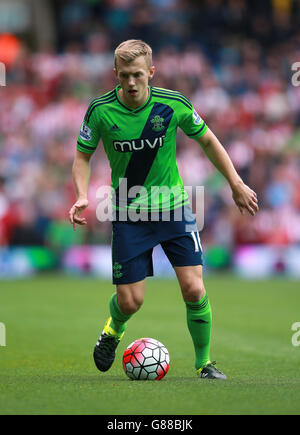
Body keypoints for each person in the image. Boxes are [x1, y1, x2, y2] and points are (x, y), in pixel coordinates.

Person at [69, 39, 258, 379]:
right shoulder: (100, 110)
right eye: (124, 75)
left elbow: (208, 140)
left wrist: (236, 183)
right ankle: (113, 330)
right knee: (131, 301)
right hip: (129, 214)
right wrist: (82, 194)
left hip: (174, 208)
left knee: (195, 289)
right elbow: (82, 155)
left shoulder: (173, 104)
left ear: (151, 73)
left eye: (137, 75)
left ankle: (204, 363)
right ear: (115, 73)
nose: (130, 82)